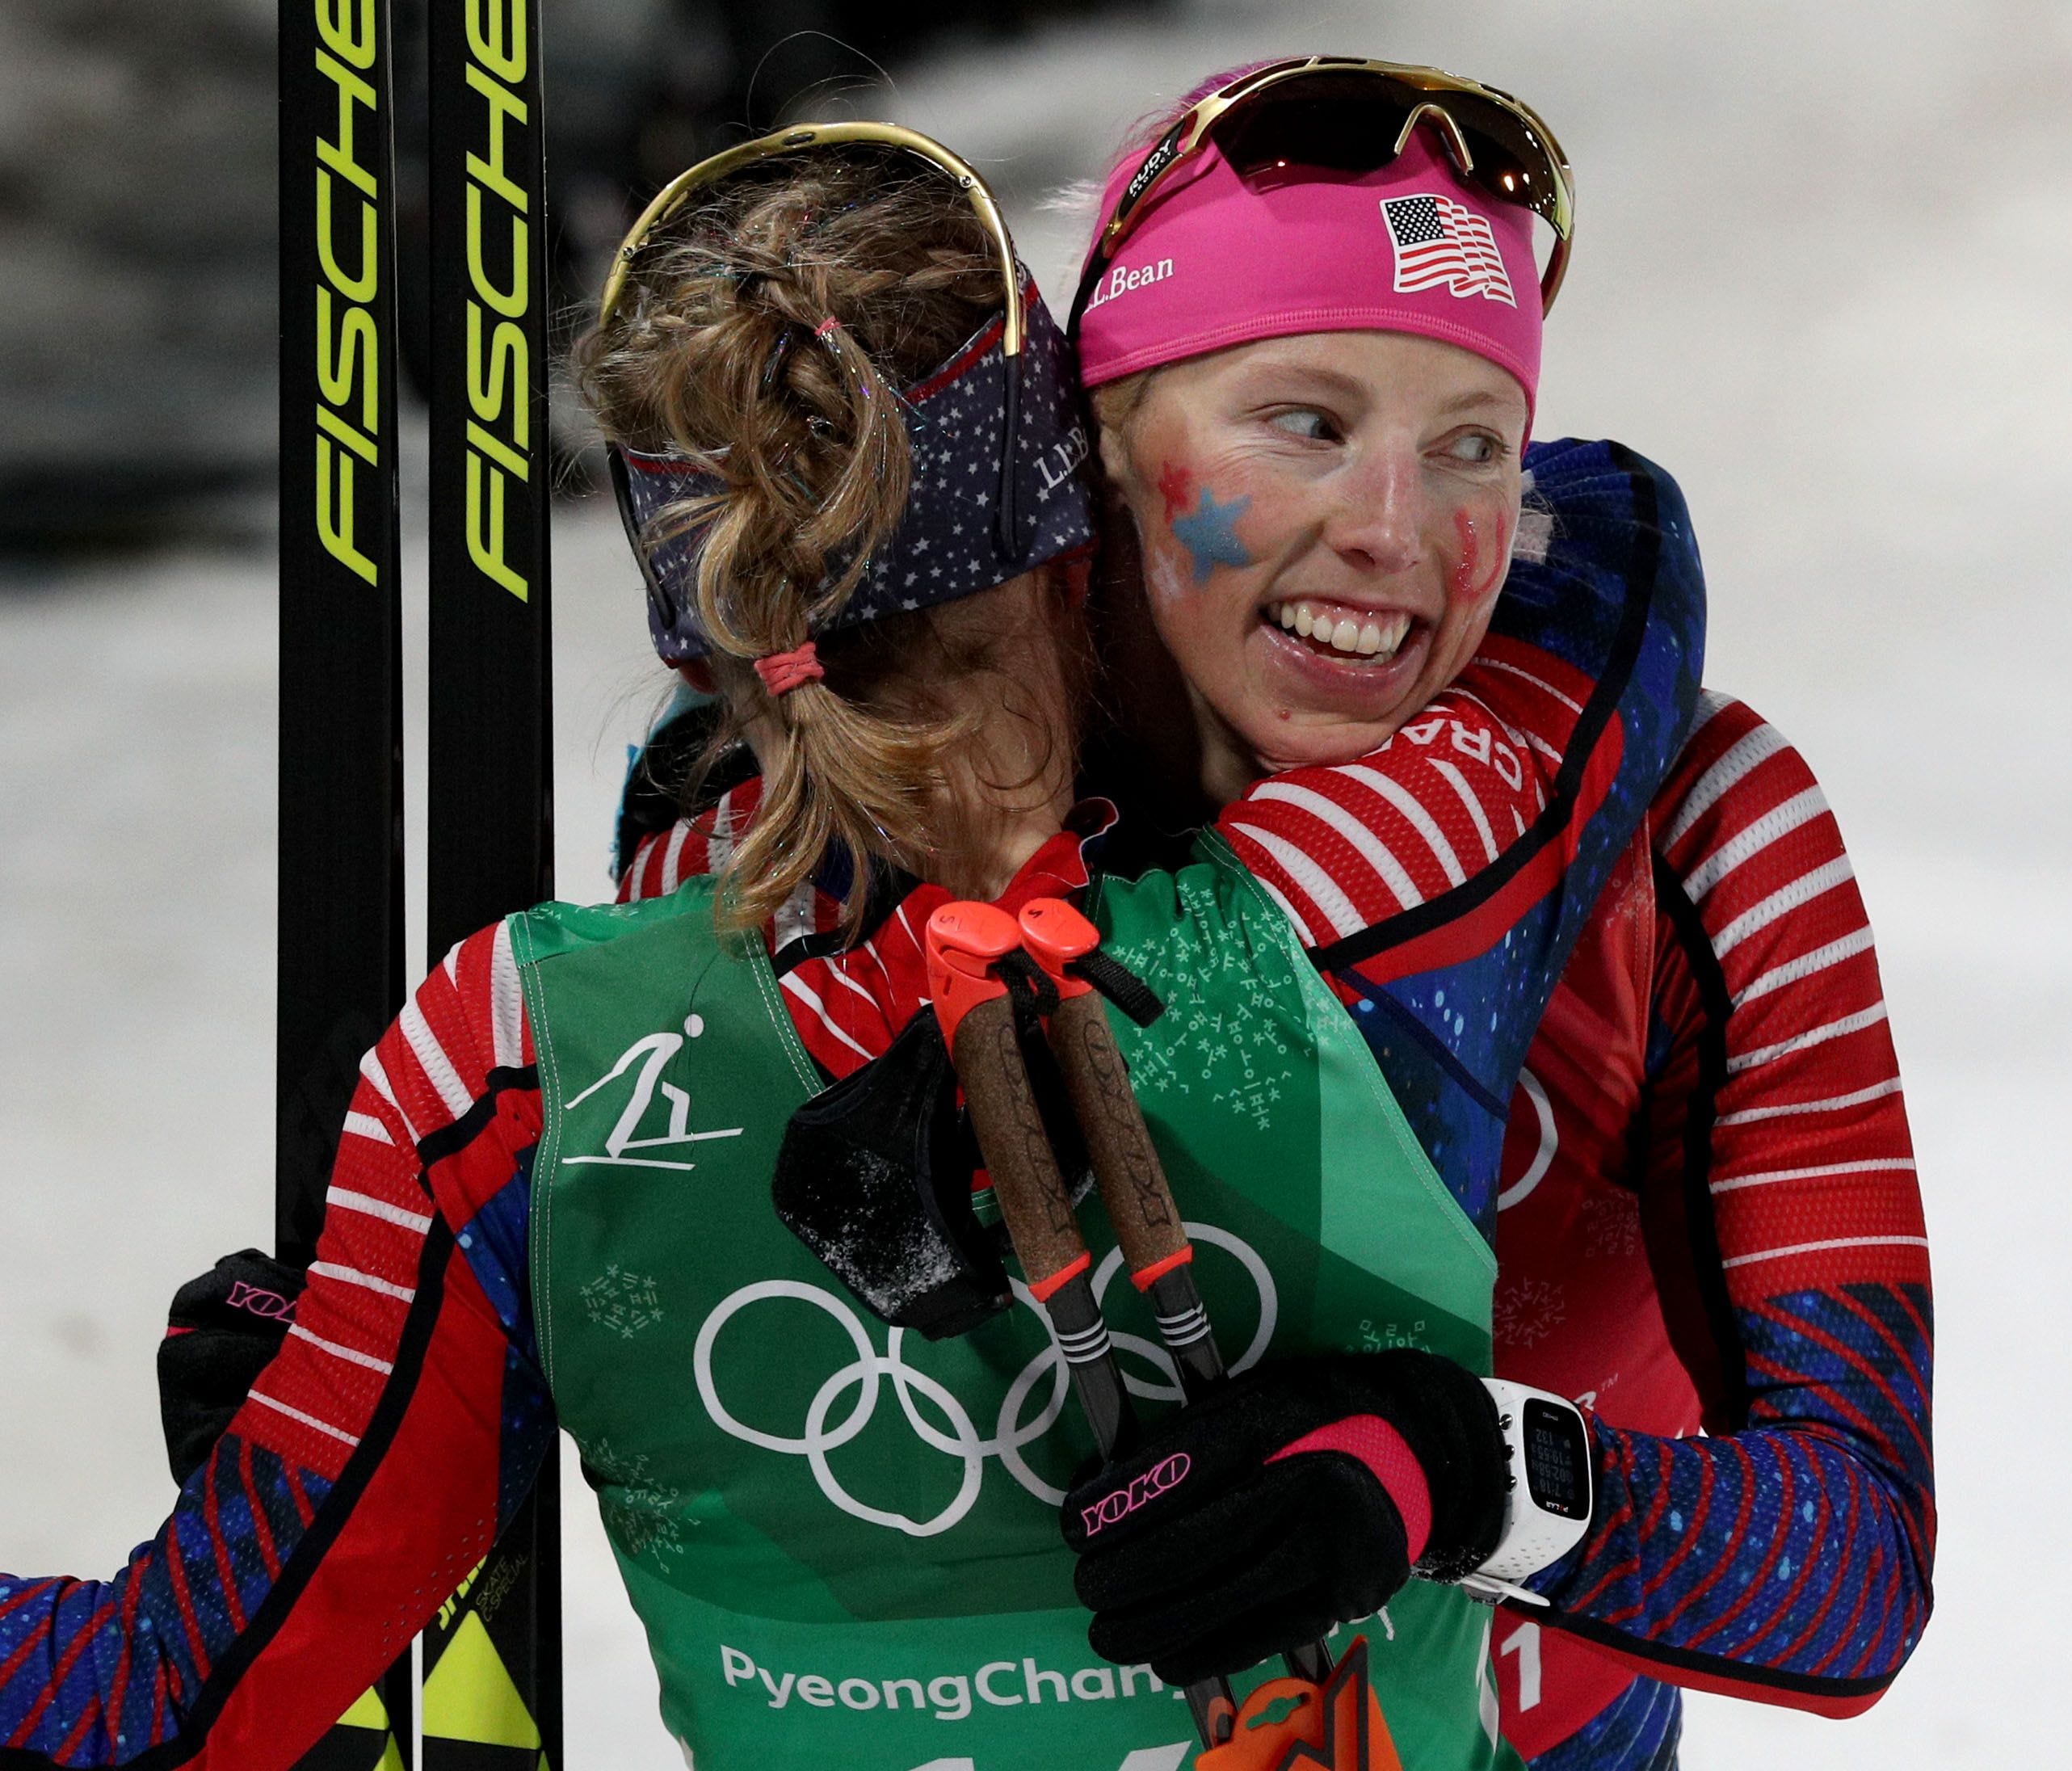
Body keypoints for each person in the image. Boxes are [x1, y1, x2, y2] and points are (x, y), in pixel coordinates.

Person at [0, 120, 1701, 1771]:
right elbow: (1615, 543)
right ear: (1077, 533)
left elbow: (157, 1699)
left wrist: (344, 1401)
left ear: (700, 616)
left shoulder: (511, 1058)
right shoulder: (1369, 885)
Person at [1042, 57, 1931, 1770]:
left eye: (1468, 446)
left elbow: (1852, 1574)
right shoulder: (938, 835)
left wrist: (1459, 1469)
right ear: (1103, 437)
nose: (1391, 529)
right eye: (1302, 421)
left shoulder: (1708, 830)